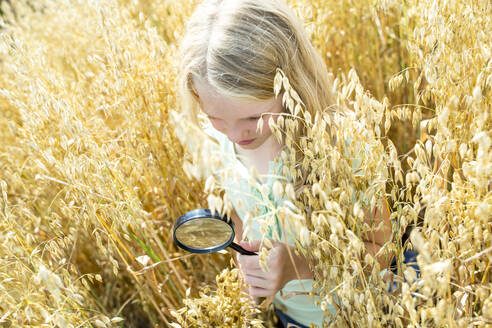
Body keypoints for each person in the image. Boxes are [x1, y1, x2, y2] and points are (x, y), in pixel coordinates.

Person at [177, 0, 392, 327]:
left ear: (291, 83)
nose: (235, 134)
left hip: (361, 314)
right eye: (215, 117)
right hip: (292, 316)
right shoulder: (215, 140)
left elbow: (383, 250)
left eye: (253, 116)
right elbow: (235, 207)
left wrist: (298, 265)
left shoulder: (343, 145)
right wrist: (244, 252)